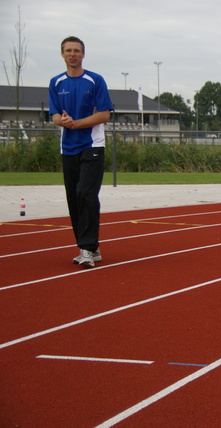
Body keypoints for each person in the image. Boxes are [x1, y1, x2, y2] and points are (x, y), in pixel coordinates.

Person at [48, 36, 113, 268]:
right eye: (68, 50)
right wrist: (62, 121)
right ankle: (89, 247)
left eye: (77, 50)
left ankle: (87, 247)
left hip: (92, 146)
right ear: (62, 54)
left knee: (86, 192)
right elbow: (54, 116)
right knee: (74, 197)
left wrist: (77, 123)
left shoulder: (95, 80)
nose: (72, 54)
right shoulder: (56, 83)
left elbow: (104, 115)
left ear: (83, 54)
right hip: (68, 148)